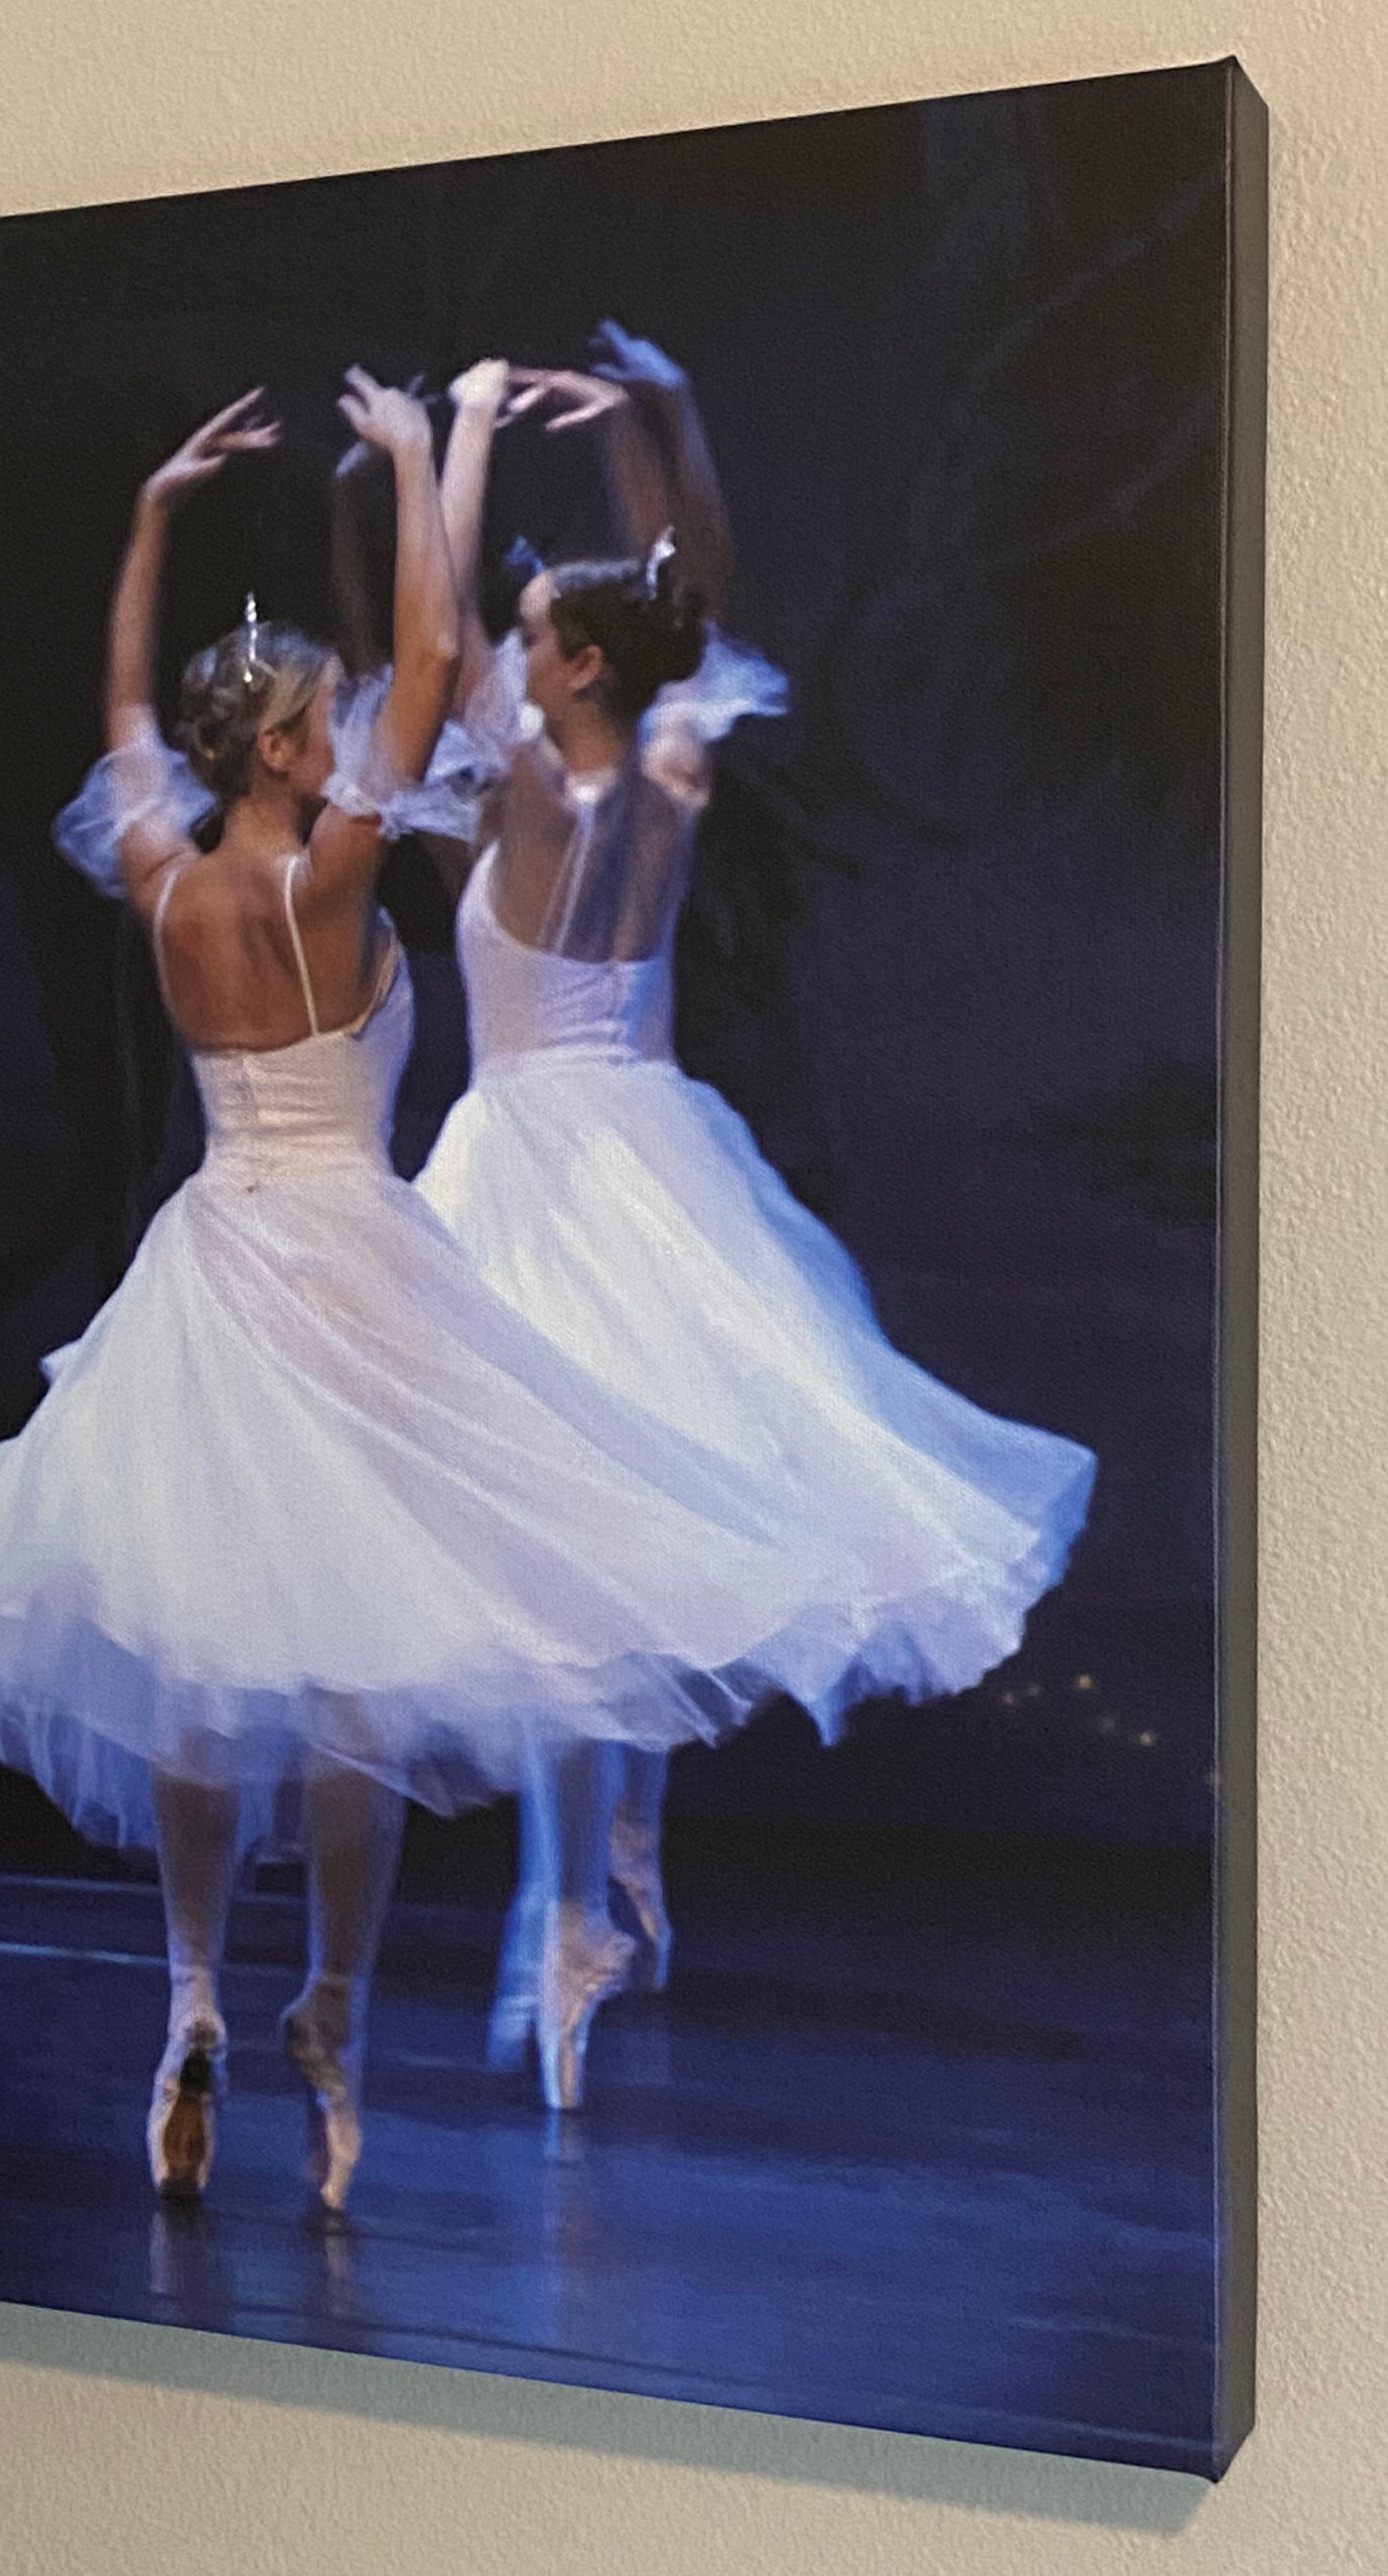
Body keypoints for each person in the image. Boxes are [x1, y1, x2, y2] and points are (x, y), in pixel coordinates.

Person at [0, 375, 854, 2208]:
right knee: (354, 1681)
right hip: (353, 1265)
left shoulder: (164, 873)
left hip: (209, 1267)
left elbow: (121, 708)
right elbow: (435, 653)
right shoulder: (343, 880)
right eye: (320, 721)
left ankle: (192, 1991)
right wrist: (439, 437)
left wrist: (148, 516)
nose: (349, 726)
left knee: (209, 1669)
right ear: (292, 756)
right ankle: (334, 2025)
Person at [410, 333, 1099, 2107]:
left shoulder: (529, 788)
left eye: (529, 636)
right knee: (614, 1537)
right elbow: (689, 604)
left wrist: (459, 440)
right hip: (650, 1156)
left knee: (567, 1557)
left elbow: (446, 631)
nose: (505, 650)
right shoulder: (667, 770)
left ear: (562, 668)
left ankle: (574, 1910)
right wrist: (668, 419)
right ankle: (619, 1857)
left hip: (552, 1171)